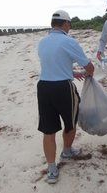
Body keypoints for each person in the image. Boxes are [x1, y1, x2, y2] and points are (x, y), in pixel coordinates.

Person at [37, 10, 94, 184]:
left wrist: (72, 71)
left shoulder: (42, 42)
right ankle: (67, 151)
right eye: (70, 24)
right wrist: (87, 72)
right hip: (63, 88)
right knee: (70, 123)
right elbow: (89, 67)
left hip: (43, 87)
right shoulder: (69, 41)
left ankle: (52, 168)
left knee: (48, 130)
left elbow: (53, 63)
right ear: (66, 23)